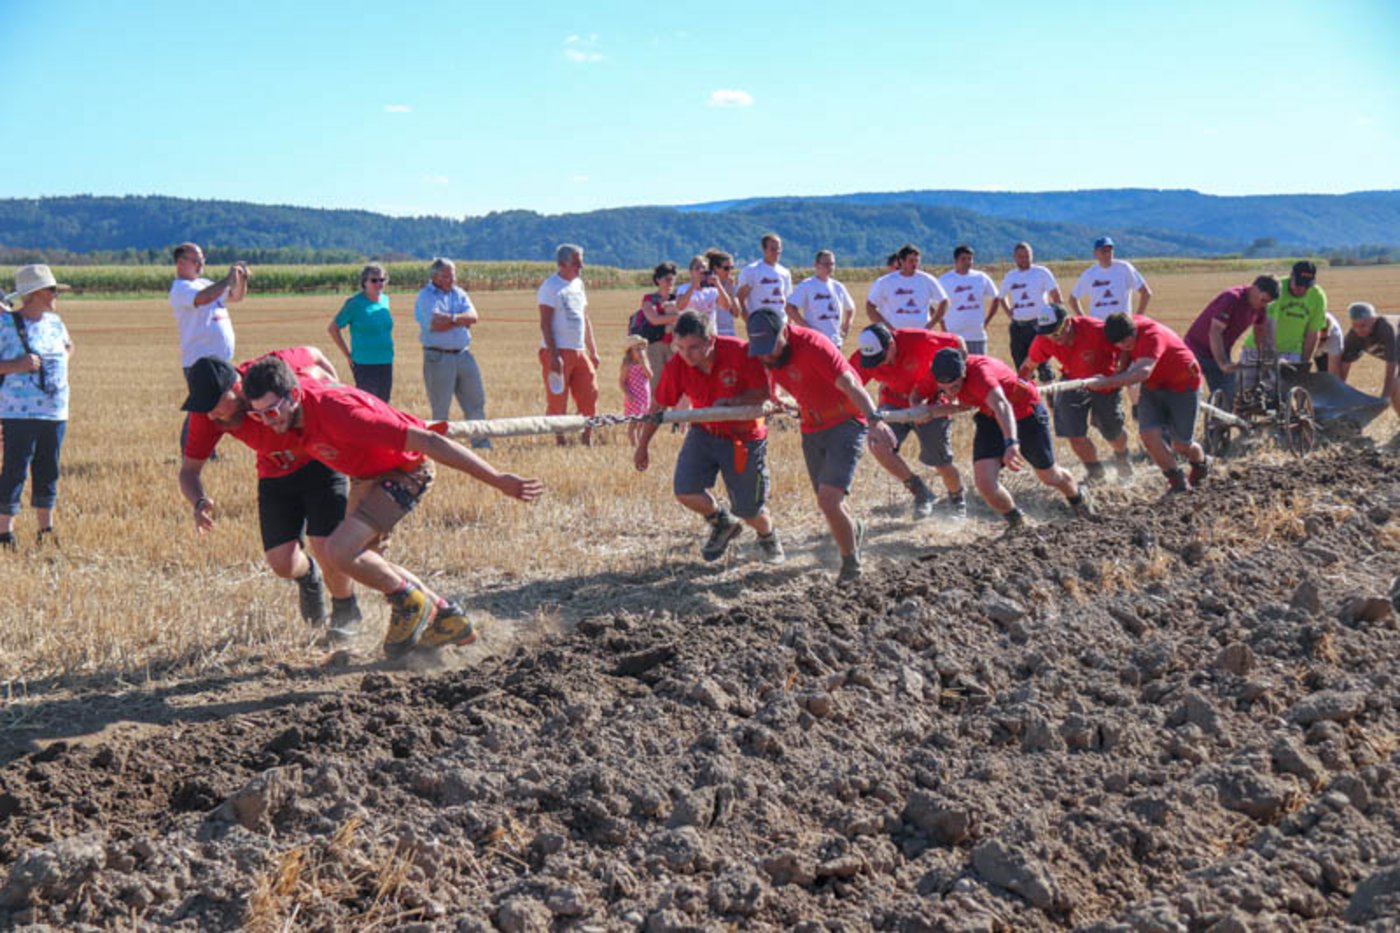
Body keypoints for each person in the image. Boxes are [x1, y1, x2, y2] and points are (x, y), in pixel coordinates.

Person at [241, 355, 544, 658]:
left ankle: (409, 602)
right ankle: (446, 618)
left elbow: (430, 442)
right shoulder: (289, 409)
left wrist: (497, 478)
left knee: (339, 550)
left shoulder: (340, 414)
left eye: (272, 411)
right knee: (367, 562)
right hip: (366, 477)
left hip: (406, 472)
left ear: (293, 395)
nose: (268, 422)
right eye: (259, 416)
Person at [178, 349, 361, 636]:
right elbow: (189, 471)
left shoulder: (266, 372)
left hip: (320, 464)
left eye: (215, 404)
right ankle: (309, 577)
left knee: (327, 547)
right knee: (282, 564)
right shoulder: (208, 416)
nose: (211, 413)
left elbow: (314, 353)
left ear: (235, 387)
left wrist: (335, 395)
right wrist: (199, 500)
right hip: (275, 474)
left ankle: (345, 610)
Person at [745, 308, 897, 582]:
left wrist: (875, 420)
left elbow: (850, 383)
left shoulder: (814, 346)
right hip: (812, 427)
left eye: (771, 347)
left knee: (829, 500)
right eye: (761, 350)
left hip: (845, 422)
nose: (766, 355)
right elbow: (770, 382)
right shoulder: (765, 354)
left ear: (785, 330)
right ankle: (855, 530)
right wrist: (773, 398)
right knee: (828, 501)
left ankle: (851, 565)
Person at [635, 310, 784, 564]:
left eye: (693, 347)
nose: (686, 354)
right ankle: (722, 521)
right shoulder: (678, 365)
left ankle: (767, 536)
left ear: (711, 340)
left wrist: (735, 402)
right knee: (685, 490)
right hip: (704, 431)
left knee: (749, 509)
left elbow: (765, 394)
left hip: (744, 436)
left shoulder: (741, 353)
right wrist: (643, 445)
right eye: (680, 347)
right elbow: (658, 406)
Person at [913, 349, 1093, 530]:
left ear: (964, 373)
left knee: (1050, 476)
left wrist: (1011, 443)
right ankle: (1018, 524)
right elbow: (918, 395)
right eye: (942, 389)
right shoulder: (937, 373)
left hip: (1025, 413)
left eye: (954, 387)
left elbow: (1002, 406)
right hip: (989, 416)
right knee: (985, 482)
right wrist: (919, 409)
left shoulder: (981, 375)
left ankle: (1078, 500)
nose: (949, 393)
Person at [851, 323, 968, 519]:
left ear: (891, 344)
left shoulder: (917, 339)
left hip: (929, 401)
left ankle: (957, 500)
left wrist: (953, 382)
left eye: (881, 358)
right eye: (873, 361)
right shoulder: (863, 359)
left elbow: (958, 343)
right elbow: (848, 386)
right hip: (893, 403)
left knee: (940, 461)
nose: (878, 364)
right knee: (877, 443)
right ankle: (921, 493)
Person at [1088, 314, 1209, 494]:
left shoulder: (1152, 335)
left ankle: (1200, 465)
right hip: (1153, 386)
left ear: (1134, 330)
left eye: (1126, 340)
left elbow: (1143, 372)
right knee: (1149, 436)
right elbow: (1126, 354)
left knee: (1181, 445)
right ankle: (1177, 481)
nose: (1123, 345)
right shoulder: (1127, 333)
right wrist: (1117, 372)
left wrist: (1108, 382)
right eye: (1118, 343)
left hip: (1183, 385)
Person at [0, 265, 74, 549]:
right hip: (18, 412)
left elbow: (69, 346)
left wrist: (63, 362)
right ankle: (5, 532)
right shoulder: (4, 325)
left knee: (48, 469)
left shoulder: (55, 322)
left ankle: (46, 529)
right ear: (34, 294)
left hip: (56, 411)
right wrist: (16, 366)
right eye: (52, 290)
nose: (56, 295)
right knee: (15, 471)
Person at [1020, 305, 1132, 483]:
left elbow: (1125, 348)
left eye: (1056, 334)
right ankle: (1096, 473)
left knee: (1112, 431)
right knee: (1074, 434)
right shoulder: (1044, 339)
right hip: (1072, 381)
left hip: (1104, 381)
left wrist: (1119, 373)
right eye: (1047, 335)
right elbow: (1029, 365)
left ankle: (1123, 461)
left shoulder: (1096, 329)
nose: (1053, 340)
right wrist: (1019, 387)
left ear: (1067, 323)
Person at [170, 242, 248, 449]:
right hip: (200, 363)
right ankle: (192, 451)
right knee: (202, 410)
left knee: (217, 408)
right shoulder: (181, 289)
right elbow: (204, 298)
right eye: (196, 261)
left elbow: (235, 296)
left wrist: (241, 278)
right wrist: (228, 279)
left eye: (202, 260)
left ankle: (201, 450)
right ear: (181, 262)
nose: (201, 265)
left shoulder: (204, 282)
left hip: (220, 362)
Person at [414, 258, 490, 449]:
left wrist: (451, 318)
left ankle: (481, 443)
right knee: (440, 408)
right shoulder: (425, 296)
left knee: (476, 402)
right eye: (447, 275)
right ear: (435, 276)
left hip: (464, 355)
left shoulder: (460, 293)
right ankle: (442, 448)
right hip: (438, 357)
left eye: (453, 274)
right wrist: (459, 320)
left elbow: (473, 317)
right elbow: (435, 325)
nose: (452, 278)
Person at [1182, 275, 1279, 407]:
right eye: (1263, 300)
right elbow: (1215, 332)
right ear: (1254, 288)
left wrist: (1264, 358)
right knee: (1186, 396)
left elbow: (1260, 333)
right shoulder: (1232, 298)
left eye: (1267, 302)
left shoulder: (1261, 307)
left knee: (1228, 397)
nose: (1263, 305)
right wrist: (1222, 363)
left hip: (1221, 350)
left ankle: (1217, 427)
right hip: (1195, 350)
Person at [538, 243, 601, 445]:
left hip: (579, 349)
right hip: (557, 351)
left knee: (590, 393)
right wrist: (554, 355)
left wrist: (593, 350)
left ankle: (586, 436)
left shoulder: (578, 285)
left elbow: (585, 317)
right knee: (558, 399)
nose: (580, 268)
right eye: (576, 264)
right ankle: (560, 439)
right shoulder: (550, 287)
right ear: (563, 264)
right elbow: (545, 323)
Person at [1238, 261, 1327, 391]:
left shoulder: (1318, 297)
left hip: (1291, 352)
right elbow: (1268, 324)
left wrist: (1304, 363)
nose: (1301, 289)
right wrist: (1271, 357)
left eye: (1306, 286)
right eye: (1298, 284)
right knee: (1242, 390)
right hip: (1258, 346)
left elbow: (1313, 332)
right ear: (1291, 276)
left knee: (1282, 394)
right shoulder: (1276, 289)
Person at [328, 262, 395, 403]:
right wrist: (347, 354)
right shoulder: (354, 304)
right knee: (368, 405)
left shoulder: (385, 300)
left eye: (382, 280)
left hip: (386, 360)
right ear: (364, 282)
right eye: (374, 280)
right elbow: (333, 328)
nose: (378, 283)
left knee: (384, 405)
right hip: (365, 363)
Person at [999, 241, 1062, 381]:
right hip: (1018, 327)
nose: (1024, 259)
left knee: (1044, 366)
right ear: (1014, 257)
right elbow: (1001, 297)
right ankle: (1030, 399)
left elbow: (1056, 296)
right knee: (1023, 369)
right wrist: (1009, 313)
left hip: (1038, 325)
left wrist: (1055, 318)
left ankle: (1052, 398)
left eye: (1027, 255)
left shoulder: (1041, 272)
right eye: (1020, 256)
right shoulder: (1010, 276)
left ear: (1032, 256)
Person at [866, 244, 949, 330]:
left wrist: (931, 324)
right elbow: (870, 307)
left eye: (917, 261)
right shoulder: (885, 282)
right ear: (901, 261)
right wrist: (887, 328)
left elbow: (944, 301)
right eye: (911, 261)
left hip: (921, 334)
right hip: (896, 335)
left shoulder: (927, 280)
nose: (915, 264)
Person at [934, 245, 1000, 355]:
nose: (967, 262)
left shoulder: (981, 277)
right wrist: (942, 323)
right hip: (954, 336)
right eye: (963, 259)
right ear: (956, 261)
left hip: (977, 335)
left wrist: (987, 321)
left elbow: (996, 298)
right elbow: (931, 304)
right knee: (956, 370)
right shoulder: (944, 280)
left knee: (978, 369)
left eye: (970, 259)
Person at [1338, 302, 1400, 415]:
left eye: (1363, 325)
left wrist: (1384, 397)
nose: (1359, 330)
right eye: (1355, 326)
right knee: (1394, 389)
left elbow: (1392, 365)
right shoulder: (1353, 336)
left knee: (1395, 388)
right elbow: (1345, 364)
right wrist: (1339, 392)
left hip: (1397, 354)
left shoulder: (1386, 328)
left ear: (1373, 320)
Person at [1069, 236, 1151, 320]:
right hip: (1099, 326)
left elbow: (1146, 293)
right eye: (1104, 251)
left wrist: (1138, 318)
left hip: (1121, 326)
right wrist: (1085, 320)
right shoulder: (1089, 274)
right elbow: (1072, 299)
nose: (1108, 254)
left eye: (1110, 250)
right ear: (1095, 253)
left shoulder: (1124, 268)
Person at [786, 250, 856, 347]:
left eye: (832, 264)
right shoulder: (807, 285)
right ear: (816, 265)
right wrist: (806, 328)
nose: (830, 267)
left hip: (835, 342)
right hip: (815, 343)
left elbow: (850, 308)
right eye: (826, 264)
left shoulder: (838, 287)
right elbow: (790, 308)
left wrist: (846, 327)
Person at [633, 261, 680, 392]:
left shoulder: (678, 297)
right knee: (656, 387)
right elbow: (653, 319)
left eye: (673, 279)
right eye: (667, 279)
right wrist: (678, 316)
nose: (670, 282)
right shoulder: (650, 299)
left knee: (674, 386)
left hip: (676, 346)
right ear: (658, 280)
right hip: (655, 346)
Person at [676, 254, 735, 339]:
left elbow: (726, 306)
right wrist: (693, 286)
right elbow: (680, 306)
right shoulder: (683, 289)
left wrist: (718, 284)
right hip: (689, 335)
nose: (701, 271)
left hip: (709, 334)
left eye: (703, 268)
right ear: (691, 271)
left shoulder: (712, 291)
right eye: (697, 268)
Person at [736, 233, 792, 322]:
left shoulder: (785, 272)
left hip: (781, 322)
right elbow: (740, 298)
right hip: (761, 322)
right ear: (764, 249)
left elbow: (787, 300)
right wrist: (749, 321)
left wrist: (789, 322)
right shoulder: (752, 271)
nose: (777, 252)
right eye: (773, 249)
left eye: (779, 248)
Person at [619, 334, 653, 446]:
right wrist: (628, 394)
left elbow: (650, 376)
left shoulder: (644, 362)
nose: (640, 352)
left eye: (641, 349)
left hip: (644, 396)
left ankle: (640, 443)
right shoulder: (627, 364)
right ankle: (634, 445)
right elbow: (622, 382)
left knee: (642, 422)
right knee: (633, 424)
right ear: (630, 351)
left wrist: (644, 364)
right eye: (636, 349)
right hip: (633, 397)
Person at [704, 249, 740, 337]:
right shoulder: (706, 286)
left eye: (732, 268)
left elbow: (736, 313)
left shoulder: (730, 285)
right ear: (715, 268)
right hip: (711, 331)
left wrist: (731, 290)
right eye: (726, 268)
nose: (729, 271)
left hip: (729, 331)